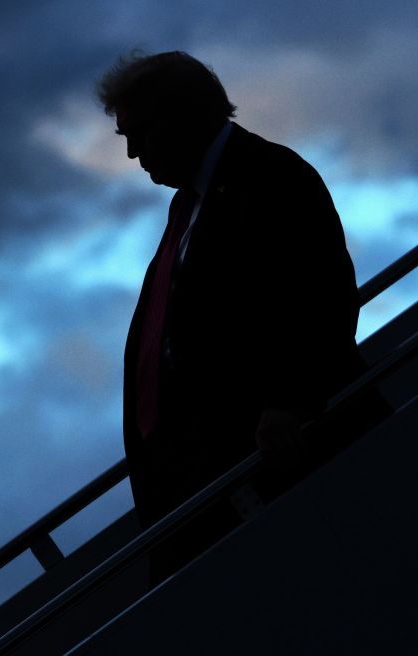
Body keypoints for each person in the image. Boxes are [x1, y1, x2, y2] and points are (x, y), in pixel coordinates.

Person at [97, 50, 387, 579]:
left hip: (275, 471)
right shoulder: (191, 205)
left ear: (183, 114)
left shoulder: (268, 174)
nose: (134, 152)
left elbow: (322, 291)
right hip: (216, 478)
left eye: (139, 131)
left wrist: (289, 402)